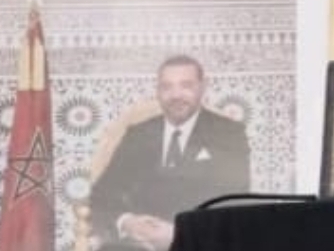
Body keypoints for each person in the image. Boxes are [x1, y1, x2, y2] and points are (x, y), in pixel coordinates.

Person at [88, 54, 251, 250]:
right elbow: (102, 193)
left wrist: (180, 233)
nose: (176, 95)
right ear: (157, 91)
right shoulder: (138, 134)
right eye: (167, 87)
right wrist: (128, 222)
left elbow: (233, 201)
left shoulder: (228, 133)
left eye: (186, 85)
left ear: (202, 87)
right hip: (138, 245)